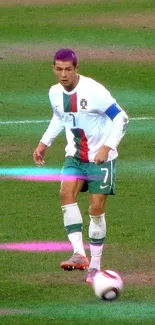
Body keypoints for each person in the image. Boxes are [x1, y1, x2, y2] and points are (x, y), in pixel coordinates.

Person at [33, 48, 129, 283]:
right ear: (54, 69)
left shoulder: (94, 91)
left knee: (96, 210)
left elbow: (122, 118)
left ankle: (95, 266)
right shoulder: (54, 93)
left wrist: (107, 147)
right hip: (75, 155)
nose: (63, 74)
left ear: (76, 69)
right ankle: (79, 253)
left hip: (101, 157)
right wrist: (44, 142)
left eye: (68, 69)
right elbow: (60, 116)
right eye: (59, 69)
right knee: (66, 193)